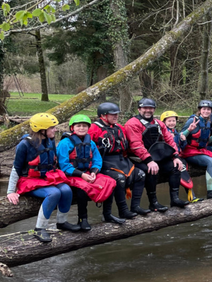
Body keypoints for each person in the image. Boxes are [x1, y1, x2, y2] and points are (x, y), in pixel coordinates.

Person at [5, 113, 77, 242]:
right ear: (41, 130)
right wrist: (10, 191)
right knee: (54, 193)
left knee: (66, 190)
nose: (55, 130)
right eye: (52, 128)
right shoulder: (24, 145)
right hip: (29, 181)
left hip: (48, 177)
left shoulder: (50, 140)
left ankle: (62, 222)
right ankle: (39, 229)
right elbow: (16, 168)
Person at [88, 102, 148, 223]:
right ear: (103, 116)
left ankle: (135, 206)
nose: (116, 116)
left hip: (121, 160)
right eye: (112, 114)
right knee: (119, 178)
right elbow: (89, 150)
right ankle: (123, 210)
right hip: (104, 161)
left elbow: (128, 146)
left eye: (117, 114)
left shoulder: (119, 127)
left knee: (140, 174)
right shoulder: (93, 129)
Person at [124, 98, 187, 211]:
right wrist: (149, 161)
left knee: (175, 167)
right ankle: (153, 202)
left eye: (151, 108)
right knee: (151, 170)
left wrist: (175, 156)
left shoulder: (159, 123)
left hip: (156, 157)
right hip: (138, 159)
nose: (148, 110)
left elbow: (169, 140)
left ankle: (175, 199)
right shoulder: (132, 124)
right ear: (139, 109)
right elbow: (136, 145)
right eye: (145, 108)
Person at [57, 114, 117, 231]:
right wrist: (82, 175)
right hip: (71, 174)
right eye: (78, 126)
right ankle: (82, 219)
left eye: (84, 126)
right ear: (72, 128)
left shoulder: (91, 143)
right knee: (82, 189)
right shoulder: (65, 143)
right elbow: (63, 165)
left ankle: (107, 214)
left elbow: (97, 160)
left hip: (88, 172)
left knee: (110, 182)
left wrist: (94, 171)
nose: (81, 128)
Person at [180, 100, 212, 199]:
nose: (206, 111)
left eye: (208, 109)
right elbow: (180, 137)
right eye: (204, 109)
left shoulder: (208, 122)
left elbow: (206, 141)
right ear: (200, 110)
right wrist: (189, 130)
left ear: (211, 111)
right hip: (189, 152)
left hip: (200, 151)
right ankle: (210, 191)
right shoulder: (192, 121)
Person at [161, 110, 200, 202]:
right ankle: (191, 196)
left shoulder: (175, 132)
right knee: (181, 170)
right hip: (169, 158)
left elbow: (181, 147)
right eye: (169, 121)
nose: (172, 123)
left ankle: (191, 196)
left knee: (183, 168)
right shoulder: (163, 133)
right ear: (164, 122)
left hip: (178, 157)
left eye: (173, 121)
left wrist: (183, 140)